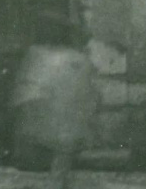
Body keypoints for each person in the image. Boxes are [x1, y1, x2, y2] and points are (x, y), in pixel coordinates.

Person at [11, 10, 98, 189]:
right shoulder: (82, 61)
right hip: (69, 145)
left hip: (39, 145)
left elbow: (23, 101)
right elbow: (92, 103)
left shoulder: (36, 56)